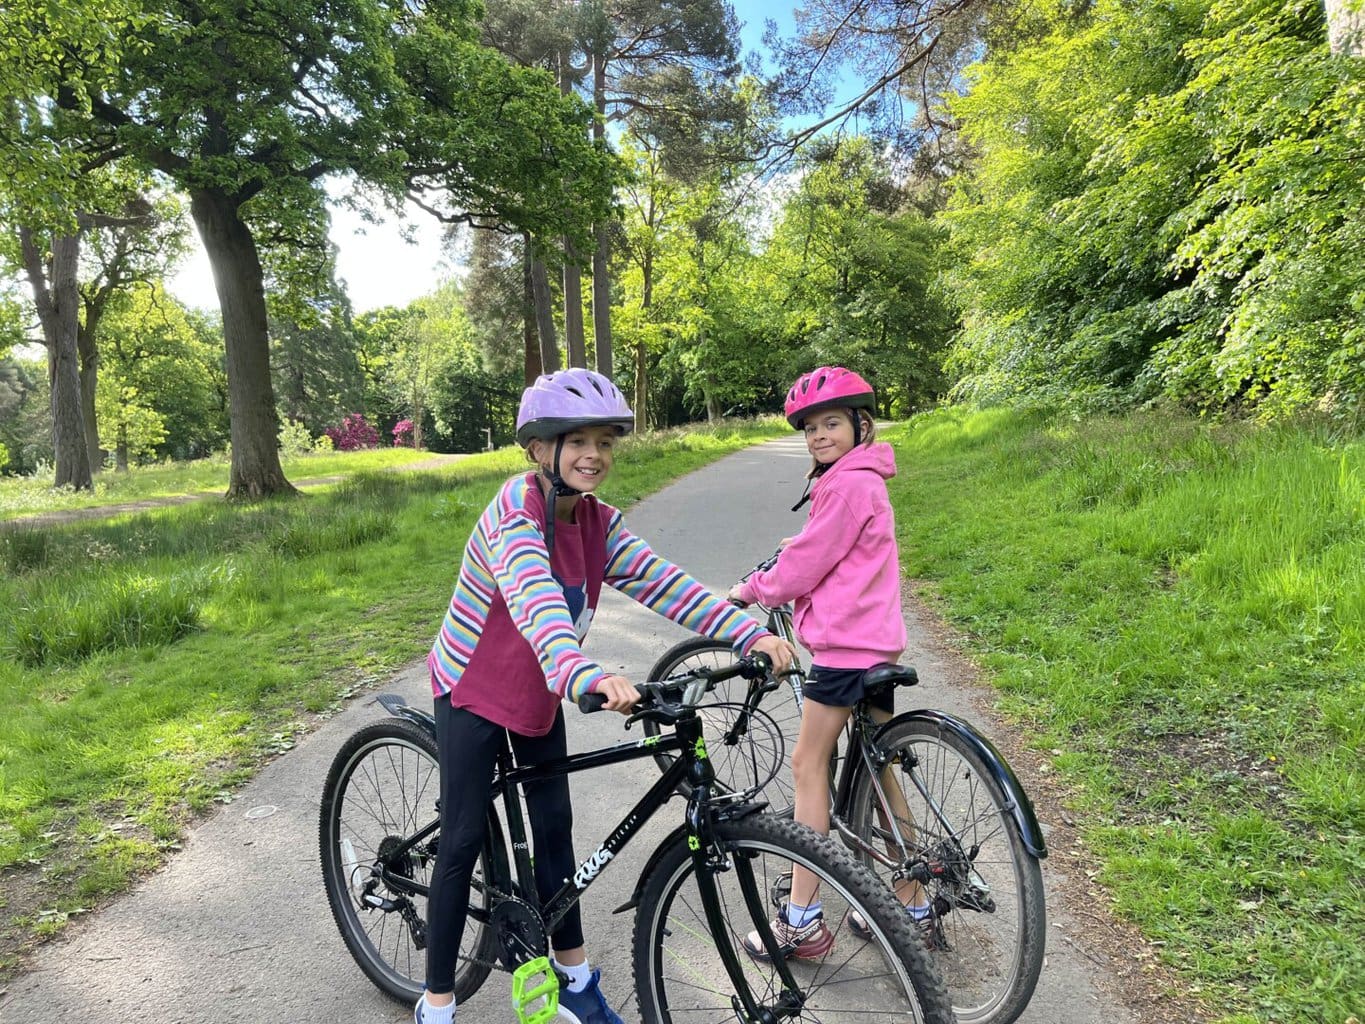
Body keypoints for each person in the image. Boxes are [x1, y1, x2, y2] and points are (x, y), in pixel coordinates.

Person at [417, 367, 796, 1024]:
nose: (594, 454)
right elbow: (536, 603)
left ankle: (575, 978)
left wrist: (747, 634)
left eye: (604, 441)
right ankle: (437, 1003)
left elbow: (668, 585)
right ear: (539, 448)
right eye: (576, 440)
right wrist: (583, 673)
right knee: (459, 842)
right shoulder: (515, 511)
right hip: (473, 689)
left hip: (537, 690)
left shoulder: (597, 523)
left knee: (556, 828)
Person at [726, 366, 933, 959]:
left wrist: (754, 590)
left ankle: (801, 917)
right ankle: (911, 900)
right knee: (878, 768)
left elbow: (807, 565)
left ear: (861, 425)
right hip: (876, 643)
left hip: (842, 651)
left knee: (807, 764)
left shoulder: (842, 485)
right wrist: (804, 544)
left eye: (832, 423)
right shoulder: (862, 480)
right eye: (811, 427)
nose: (819, 435)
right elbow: (839, 546)